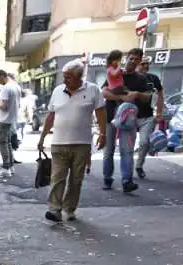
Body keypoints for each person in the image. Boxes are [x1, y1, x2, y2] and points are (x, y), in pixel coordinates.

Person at [38, 59, 106, 222]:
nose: (65, 80)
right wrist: (42, 137)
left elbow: (100, 112)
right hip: (59, 142)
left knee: (76, 179)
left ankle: (69, 208)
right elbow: (51, 116)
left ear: (79, 77)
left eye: (68, 77)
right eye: (64, 76)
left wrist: (103, 133)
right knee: (57, 177)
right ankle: (54, 209)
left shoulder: (93, 90)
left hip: (81, 143)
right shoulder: (57, 91)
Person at [101, 48, 151, 192]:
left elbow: (148, 96)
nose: (133, 61)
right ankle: (107, 179)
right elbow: (104, 92)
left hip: (128, 120)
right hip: (110, 116)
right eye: (131, 58)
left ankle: (127, 181)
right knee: (108, 150)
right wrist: (122, 98)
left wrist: (137, 94)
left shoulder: (141, 78)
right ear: (126, 58)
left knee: (127, 151)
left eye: (137, 59)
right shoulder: (116, 72)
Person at [0, 70, 21, 176]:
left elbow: (4, 106)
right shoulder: (16, 87)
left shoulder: (5, 88)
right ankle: (11, 167)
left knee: (3, 144)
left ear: (2, 76)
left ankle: (6, 168)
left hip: (3, 120)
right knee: (9, 143)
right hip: (12, 119)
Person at [136, 57, 165, 177]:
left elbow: (160, 96)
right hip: (130, 117)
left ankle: (139, 166)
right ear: (137, 65)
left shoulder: (154, 78)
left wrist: (159, 113)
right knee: (126, 147)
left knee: (144, 142)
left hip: (147, 117)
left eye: (147, 64)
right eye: (143, 64)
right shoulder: (130, 78)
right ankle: (126, 169)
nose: (146, 66)